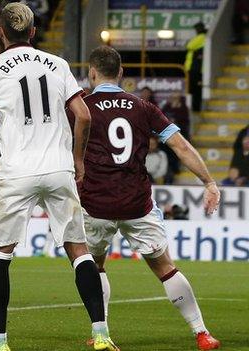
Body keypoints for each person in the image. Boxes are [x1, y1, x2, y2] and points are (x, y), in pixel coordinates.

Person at [0, 3, 116, 350]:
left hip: (17, 170)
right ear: (33, 32)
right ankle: (101, 334)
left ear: (0, 32)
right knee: (79, 251)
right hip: (58, 167)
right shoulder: (59, 64)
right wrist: (78, 159)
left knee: (1, 254)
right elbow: (84, 116)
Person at [75, 45, 220, 351]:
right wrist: (208, 181)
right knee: (165, 268)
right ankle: (202, 333)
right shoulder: (142, 106)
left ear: (91, 72)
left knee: (95, 266)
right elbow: (180, 146)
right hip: (135, 203)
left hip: (95, 202)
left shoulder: (81, 107)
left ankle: (100, 332)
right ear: (121, 73)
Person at [184, 22, 207, 112]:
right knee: (193, 89)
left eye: (197, 28)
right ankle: (194, 108)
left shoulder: (202, 36)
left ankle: (196, 108)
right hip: (193, 67)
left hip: (196, 68)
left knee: (195, 89)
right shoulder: (201, 37)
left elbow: (189, 46)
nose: (196, 30)